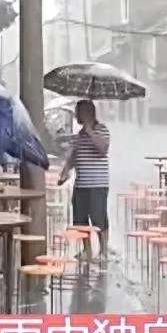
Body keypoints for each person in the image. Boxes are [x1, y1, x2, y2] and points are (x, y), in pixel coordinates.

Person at [59, 99, 111, 259]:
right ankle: (87, 249)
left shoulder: (102, 129)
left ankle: (103, 250)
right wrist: (65, 171)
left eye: (78, 112)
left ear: (88, 113)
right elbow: (74, 156)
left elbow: (103, 148)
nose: (76, 116)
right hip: (81, 183)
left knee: (99, 216)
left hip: (97, 184)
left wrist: (90, 131)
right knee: (80, 218)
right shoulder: (80, 135)